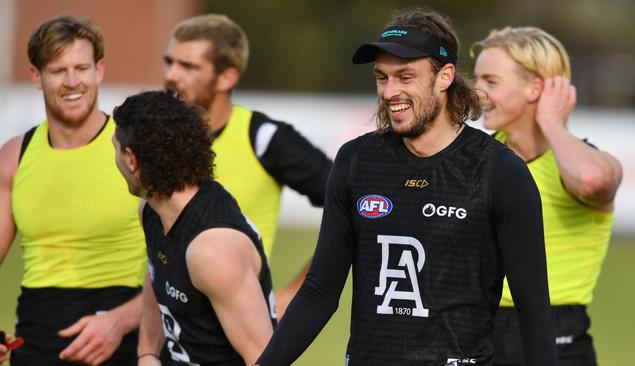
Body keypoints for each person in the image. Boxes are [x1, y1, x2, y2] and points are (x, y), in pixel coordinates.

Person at [256, 7, 558, 366]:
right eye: (382, 78)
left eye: (405, 76)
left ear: (444, 77)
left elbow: (534, 310)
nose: (389, 91)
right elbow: (320, 292)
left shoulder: (500, 171)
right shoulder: (356, 161)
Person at [162, 14, 332, 317]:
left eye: (188, 66)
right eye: (169, 62)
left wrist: (297, 294)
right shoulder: (147, 136)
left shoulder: (264, 138)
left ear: (227, 77)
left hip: (234, 336)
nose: (172, 75)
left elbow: (358, 206)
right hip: (155, 331)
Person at [471, 27, 623, 365]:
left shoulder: (580, 162)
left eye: (491, 81)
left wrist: (552, 122)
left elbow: (592, 180)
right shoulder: (476, 156)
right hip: (478, 336)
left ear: (535, 87)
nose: (477, 91)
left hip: (559, 342)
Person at [0, 16, 146, 365]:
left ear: (100, 70)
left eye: (81, 67)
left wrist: (115, 323)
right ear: (36, 76)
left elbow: (183, 270)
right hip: (35, 345)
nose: (71, 82)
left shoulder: (136, 151)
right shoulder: (13, 157)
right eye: (57, 70)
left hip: (123, 345)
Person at [112, 90, 276, 366]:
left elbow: (265, 359)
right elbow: (157, 276)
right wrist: (147, 353)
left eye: (114, 148)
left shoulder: (211, 250)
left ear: (131, 159)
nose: (114, 160)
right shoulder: (152, 210)